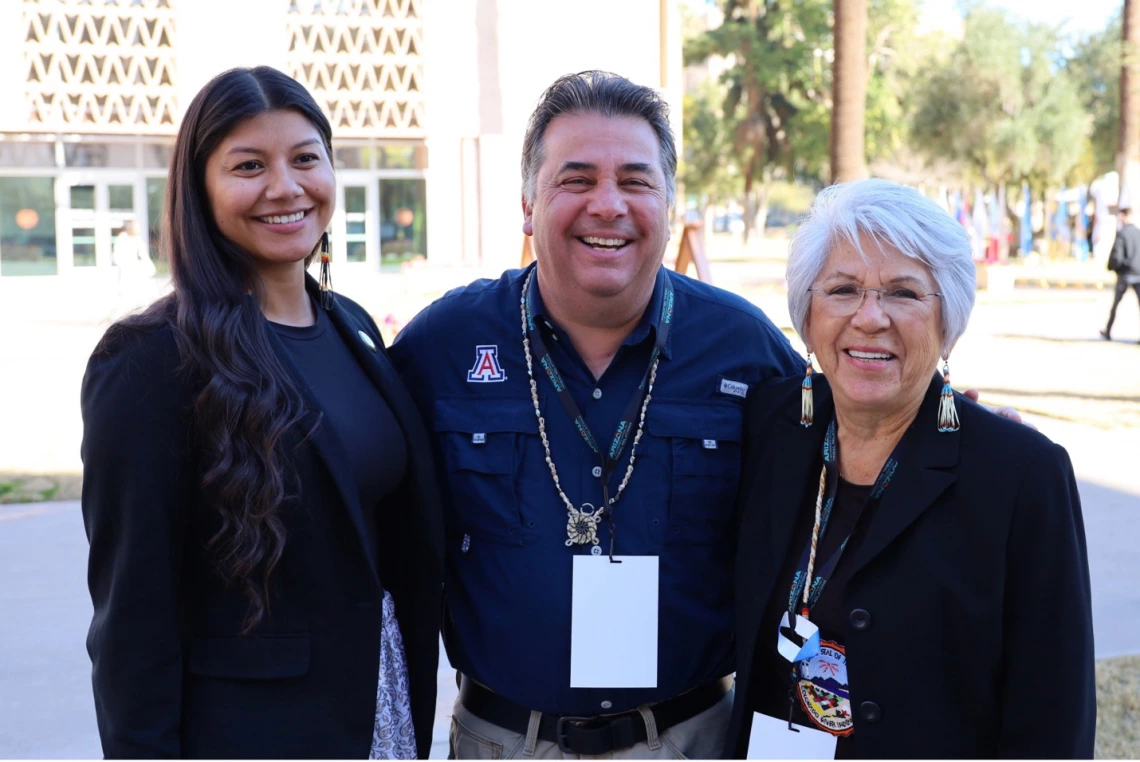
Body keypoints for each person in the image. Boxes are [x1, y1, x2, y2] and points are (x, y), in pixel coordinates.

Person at [389, 71, 804, 758]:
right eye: (576, 180)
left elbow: (831, 497)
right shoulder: (442, 348)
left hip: (691, 740)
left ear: (670, 204)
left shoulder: (747, 352)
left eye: (636, 182)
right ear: (528, 203)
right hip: (504, 742)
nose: (607, 205)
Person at [80, 66, 443, 759]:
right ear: (199, 188)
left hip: (379, 709)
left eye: (306, 158)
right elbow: (132, 621)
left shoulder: (355, 328)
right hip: (252, 734)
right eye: (249, 165)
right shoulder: (150, 361)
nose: (286, 187)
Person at [724, 180, 1096, 759]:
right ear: (806, 312)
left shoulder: (1021, 476)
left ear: (947, 323)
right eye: (843, 289)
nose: (870, 318)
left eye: (903, 293)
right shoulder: (770, 429)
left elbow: (1053, 719)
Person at [1100, 204, 1140, 343]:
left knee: (1115, 305)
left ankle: (1108, 330)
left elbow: (1117, 256)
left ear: (1123, 216)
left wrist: (1114, 268)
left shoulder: (1122, 234)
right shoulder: (1138, 233)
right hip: (1138, 273)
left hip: (1125, 274)